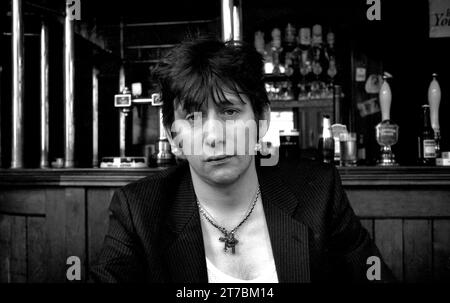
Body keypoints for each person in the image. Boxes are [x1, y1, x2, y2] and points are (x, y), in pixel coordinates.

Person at [90, 37, 394, 283]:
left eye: (230, 112)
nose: (214, 136)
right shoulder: (139, 211)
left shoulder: (318, 194)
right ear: (173, 136)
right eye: (193, 118)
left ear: (262, 120)